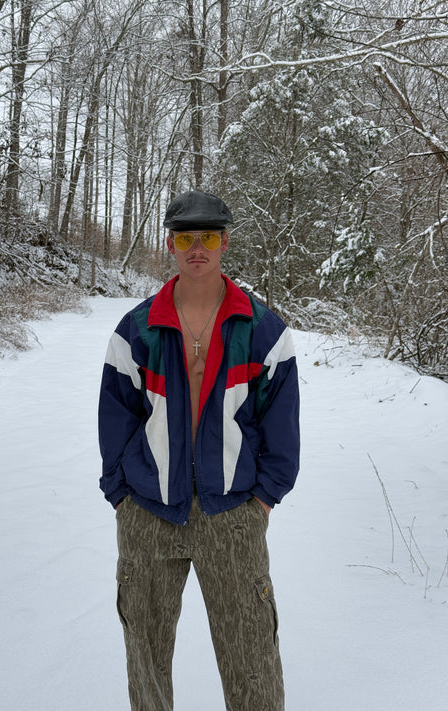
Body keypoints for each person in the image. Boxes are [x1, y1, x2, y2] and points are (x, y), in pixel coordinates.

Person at [98, 190, 300, 711]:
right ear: (170, 244)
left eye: (208, 236)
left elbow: (282, 427)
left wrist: (264, 499)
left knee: (252, 658)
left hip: (232, 513)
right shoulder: (136, 329)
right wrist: (121, 493)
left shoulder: (263, 331)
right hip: (147, 512)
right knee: (145, 657)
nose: (197, 248)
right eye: (185, 237)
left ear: (225, 241)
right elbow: (115, 417)